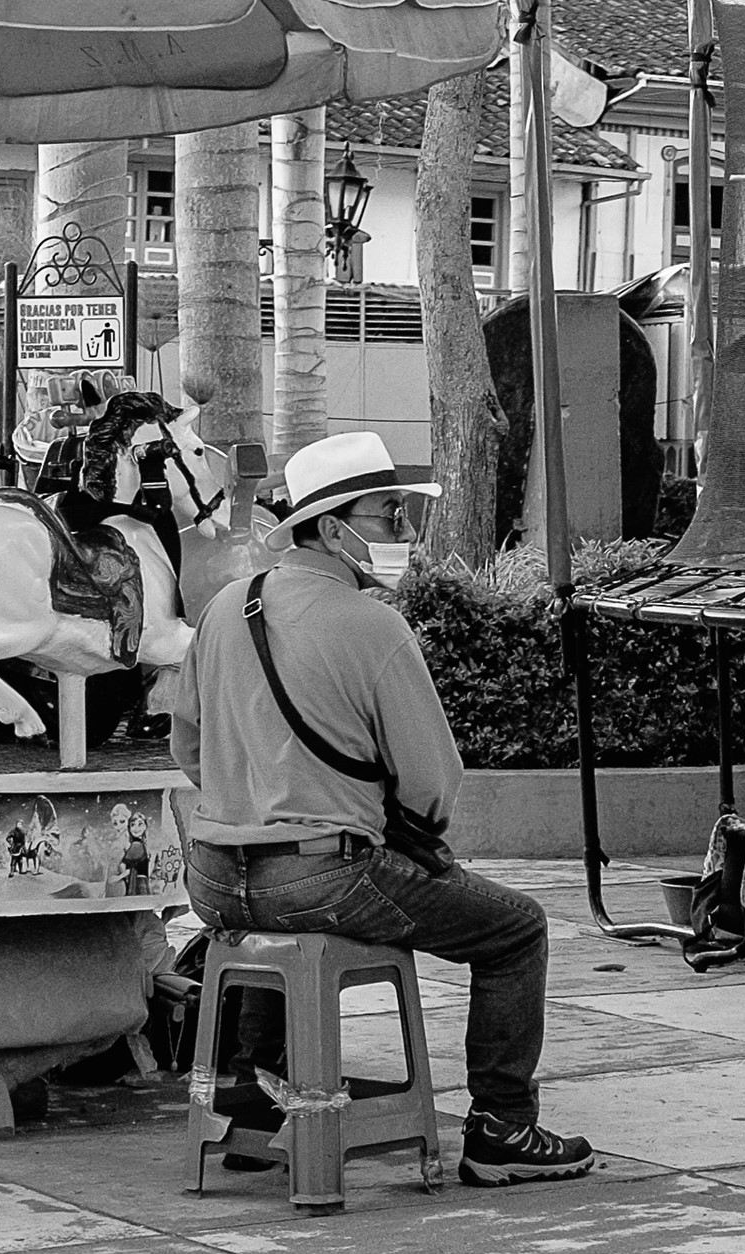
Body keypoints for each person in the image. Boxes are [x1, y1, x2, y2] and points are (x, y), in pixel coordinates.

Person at [171, 430, 594, 1188]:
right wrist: (412, 840)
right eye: (389, 515)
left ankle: (251, 1096)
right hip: (319, 877)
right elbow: (433, 782)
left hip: (211, 881)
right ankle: (502, 1127)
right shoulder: (372, 623)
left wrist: (252, 800)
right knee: (516, 931)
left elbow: (187, 748)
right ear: (332, 528)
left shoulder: (224, 607)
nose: (401, 533)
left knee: (281, 920)